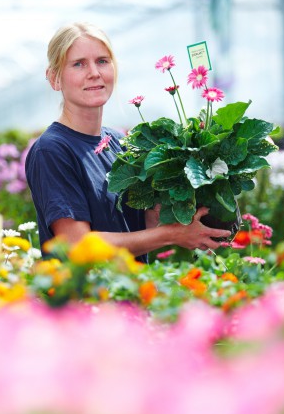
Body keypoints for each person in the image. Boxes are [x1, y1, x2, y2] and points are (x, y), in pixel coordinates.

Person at [25, 22, 230, 261]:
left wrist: (181, 208)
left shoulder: (120, 143)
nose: (94, 72)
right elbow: (77, 245)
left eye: (102, 61)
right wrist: (173, 234)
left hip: (130, 292)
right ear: (54, 78)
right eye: (78, 64)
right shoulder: (52, 150)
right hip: (84, 297)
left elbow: (137, 231)